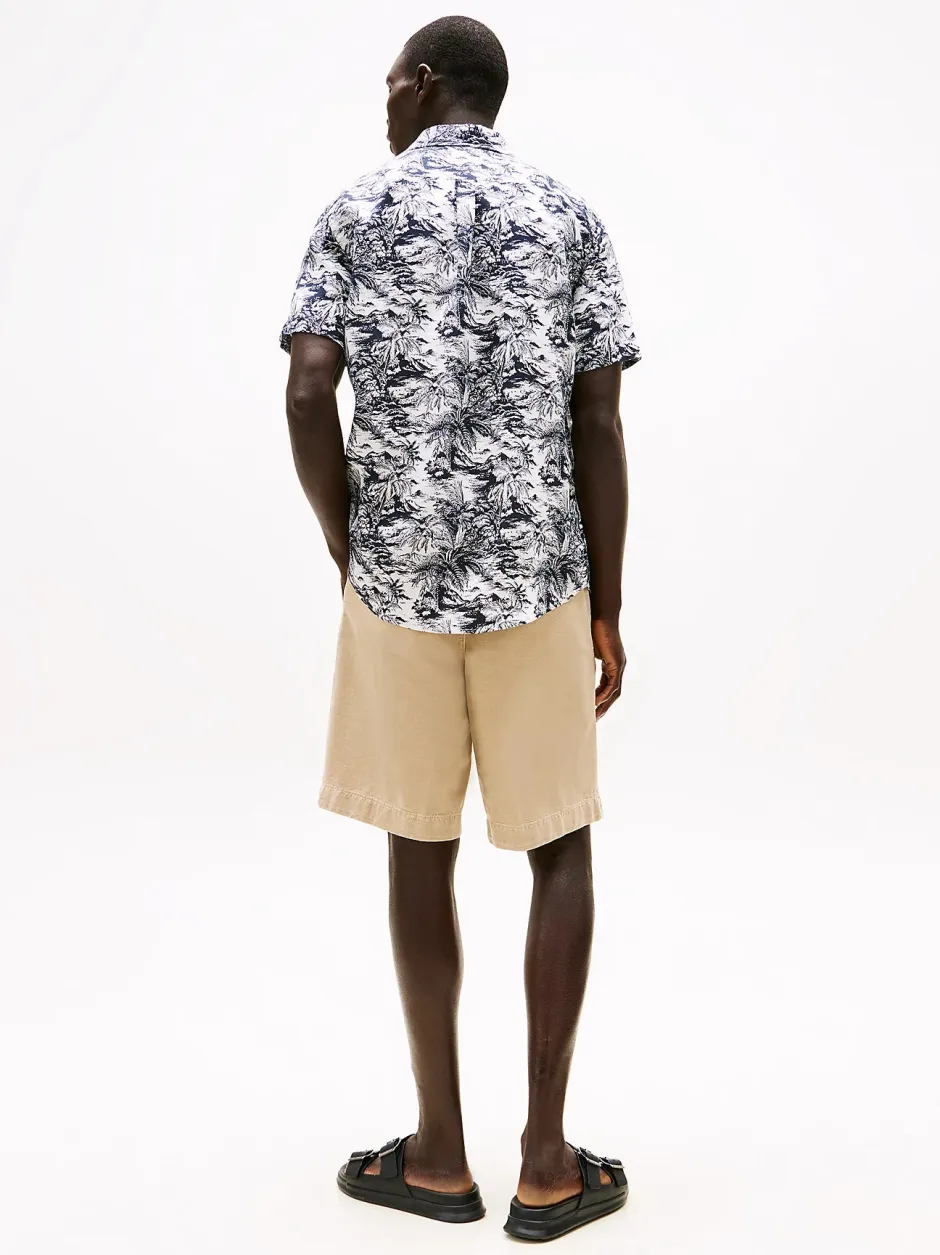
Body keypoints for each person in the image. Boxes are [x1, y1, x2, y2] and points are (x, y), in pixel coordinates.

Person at [280, 15, 641, 1242]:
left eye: (390, 82)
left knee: (416, 845)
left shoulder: (355, 210)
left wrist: (351, 543)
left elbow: (306, 388)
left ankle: (437, 1155)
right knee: (559, 846)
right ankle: (546, 1162)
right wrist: (607, 603)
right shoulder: (568, 215)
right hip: (539, 578)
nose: (382, 101)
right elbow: (598, 422)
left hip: (397, 582)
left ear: (425, 82)